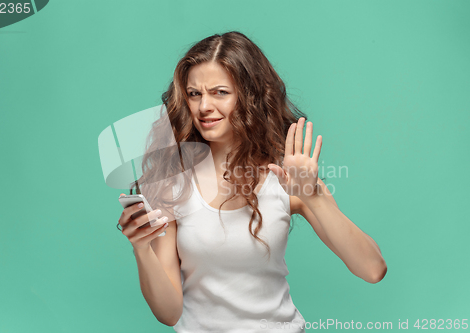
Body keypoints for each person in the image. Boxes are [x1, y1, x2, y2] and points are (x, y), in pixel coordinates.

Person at [117, 31, 387, 332]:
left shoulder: (285, 176)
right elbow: (168, 313)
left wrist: (312, 196)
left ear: (249, 96)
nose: (204, 106)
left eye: (220, 92)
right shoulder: (173, 182)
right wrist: (141, 249)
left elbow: (372, 269)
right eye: (195, 94)